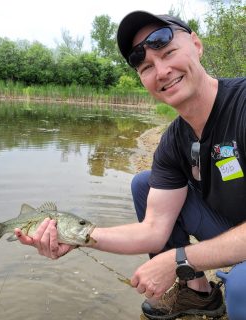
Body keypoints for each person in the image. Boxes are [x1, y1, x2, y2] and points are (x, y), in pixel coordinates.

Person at [15, 10, 246, 320]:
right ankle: (198, 294)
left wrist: (177, 260)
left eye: (168, 53)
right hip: (228, 226)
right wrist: (77, 237)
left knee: (241, 290)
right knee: (144, 184)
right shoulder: (173, 141)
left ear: (196, 45)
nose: (162, 71)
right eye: (147, 66)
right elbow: (153, 231)